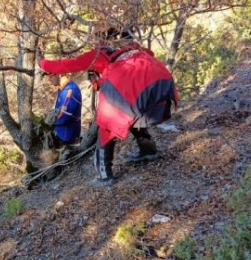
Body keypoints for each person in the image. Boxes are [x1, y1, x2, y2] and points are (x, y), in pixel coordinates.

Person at [39, 24, 179, 186]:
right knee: (131, 114)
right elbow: (149, 55)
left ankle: (104, 175)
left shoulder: (100, 53)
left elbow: (66, 65)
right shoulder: (132, 46)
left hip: (136, 89)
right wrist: (101, 80)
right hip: (164, 87)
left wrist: (42, 63)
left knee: (106, 126)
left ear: (100, 39)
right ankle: (148, 150)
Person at [43, 73, 82, 159]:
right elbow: (60, 110)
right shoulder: (63, 88)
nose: (50, 80)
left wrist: (50, 123)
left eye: (51, 76)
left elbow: (65, 116)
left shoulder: (70, 90)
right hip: (62, 133)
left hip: (68, 138)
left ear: (59, 74)